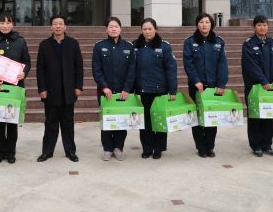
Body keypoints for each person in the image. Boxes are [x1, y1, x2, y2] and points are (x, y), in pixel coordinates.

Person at [0, 13, 31, 165]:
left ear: (13, 24)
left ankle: (10, 152)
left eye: (8, 22)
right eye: (2, 22)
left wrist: (24, 73)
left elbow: (27, 62)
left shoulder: (20, 41)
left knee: (12, 123)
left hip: (15, 87)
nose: (5, 25)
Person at [36, 14, 83, 163]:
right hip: (51, 91)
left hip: (68, 91)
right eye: (55, 24)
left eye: (60, 23)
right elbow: (40, 69)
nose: (58, 26)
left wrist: (78, 86)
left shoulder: (73, 44)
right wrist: (42, 88)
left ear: (65, 26)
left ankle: (70, 151)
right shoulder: (44, 45)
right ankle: (47, 151)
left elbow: (79, 67)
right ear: (51, 27)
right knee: (50, 122)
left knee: (68, 123)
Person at [183, 13, 229, 158]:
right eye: (201, 22)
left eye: (207, 22)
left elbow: (223, 64)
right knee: (197, 117)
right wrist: (196, 81)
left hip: (213, 86)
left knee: (212, 116)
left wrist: (221, 83)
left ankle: (210, 146)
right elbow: (188, 64)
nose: (204, 25)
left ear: (211, 24)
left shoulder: (219, 42)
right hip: (196, 86)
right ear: (197, 24)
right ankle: (200, 147)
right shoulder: (190, 42)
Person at [92, 16, 136, 161]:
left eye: (116, 26)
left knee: (122, 120)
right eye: (111, 26)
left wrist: (127, 89)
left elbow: (132, 70)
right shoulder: (99, 46)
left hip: (123, 92)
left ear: (120, 29)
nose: (113, 29)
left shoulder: (128, 47)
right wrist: (104, 87)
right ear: (106, 29)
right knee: (107, 119)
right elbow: (96, 69)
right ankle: (107, 148)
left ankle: (118, 148)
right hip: (105, 92)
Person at [133, 18, 177, 160]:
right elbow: (131, 69)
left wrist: (172, 90)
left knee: (159, 120)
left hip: (159, 91)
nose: (147, 32)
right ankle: (147, 148)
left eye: (150, 29)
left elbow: (171, 70)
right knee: (145, 122)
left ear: (155, 29)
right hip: (142, 90)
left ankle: (158, 149)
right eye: (144, 29)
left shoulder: (164, 46)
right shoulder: (135, 46)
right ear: (141, 30)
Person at [242, 15, 273, 157]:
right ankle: (256, 145)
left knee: (269, 116)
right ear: (254, 27)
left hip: (272, 87)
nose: (262, 27)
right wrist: (263, 82)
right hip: (255, 87)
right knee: (255, 117)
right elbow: (251, 66)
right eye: (259, 25)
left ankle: (267, 145)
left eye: (265, 25)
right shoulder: (248, 44)